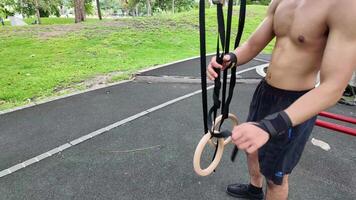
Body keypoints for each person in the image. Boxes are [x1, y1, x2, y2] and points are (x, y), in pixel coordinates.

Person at [207, 0, 356, 199]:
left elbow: (333, 87)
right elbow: (252, 44)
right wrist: (232, 57)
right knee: (252, 148)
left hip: (296, 104)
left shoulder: (344, 6)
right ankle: (254, 188)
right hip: (266, 91)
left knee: (276, 179)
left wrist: (271, 125)